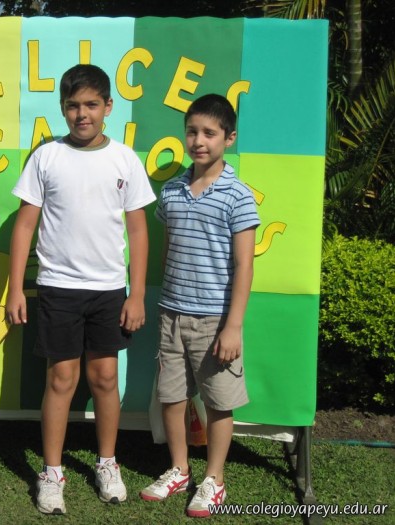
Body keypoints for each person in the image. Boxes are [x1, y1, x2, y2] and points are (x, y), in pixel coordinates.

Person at [6, 64, 156, 515]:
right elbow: (24, 226)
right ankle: (51, 473)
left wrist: (136, 294)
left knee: (105, 378)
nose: (82, 114)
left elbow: (139, 232)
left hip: (109, 290)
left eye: (91, 104)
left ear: (108, 106)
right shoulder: (46, 157)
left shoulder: (125, 159)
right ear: (62, 108)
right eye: (73, 105)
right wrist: (16, 289)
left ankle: (107, 463)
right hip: (58, 288)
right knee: (61, 379)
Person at [139, 94, 260, 518]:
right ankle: (178, 469)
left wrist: (233, 326)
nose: (199, 140)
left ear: (230, 138)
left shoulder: (238, 196)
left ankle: (214, 478)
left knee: (218, 401)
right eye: (192, 131)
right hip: (172, 314)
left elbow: (245, 265)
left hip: (215, 321)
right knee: (172, 396)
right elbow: (169, 248)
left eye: (209, 133)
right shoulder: (171, 190)